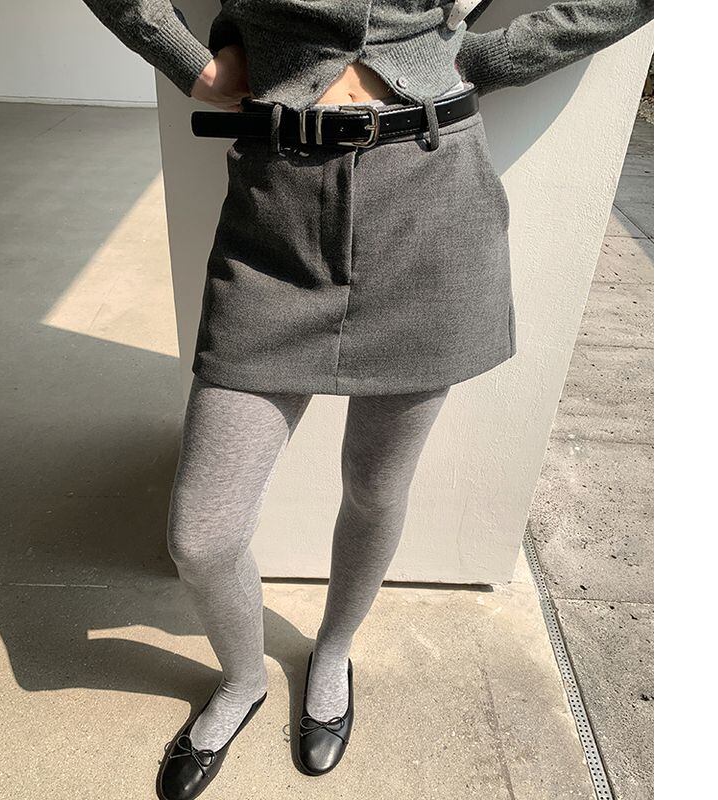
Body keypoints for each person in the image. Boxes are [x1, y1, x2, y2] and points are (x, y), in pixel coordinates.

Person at [79, 2, 654, 798]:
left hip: (431, 206)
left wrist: (489, 59)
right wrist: (192, 62)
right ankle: (243, 680)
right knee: (203, 536)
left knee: (377, 485)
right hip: (275, 221)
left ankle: (335, 650)